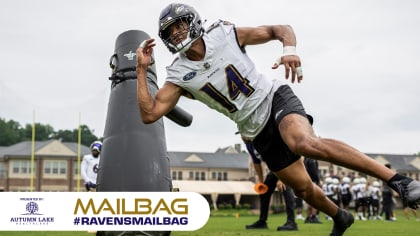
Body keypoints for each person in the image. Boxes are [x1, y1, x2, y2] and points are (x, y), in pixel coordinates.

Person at [136, 3, 420, 235]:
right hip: (254, 128)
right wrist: (140, 70)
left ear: (193, 21)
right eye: (170, 32)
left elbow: (279, 29)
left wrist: (289, 51)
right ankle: (340, 217)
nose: (176, 34)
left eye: (179, 25)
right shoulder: (177, 74)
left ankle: (399, 181)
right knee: (304, 188)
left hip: (273, 98)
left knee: (303, 143)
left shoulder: (223, 34)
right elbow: (149, 114)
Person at [242, 137, 297, 231]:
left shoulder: (262, 139)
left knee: (285, 189)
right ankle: (262, 222)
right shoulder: (249, 145)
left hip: (288, 164)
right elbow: (256, 162)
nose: (242, 137)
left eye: (244, 133)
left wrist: (281, 179)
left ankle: (291, 223)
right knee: (264, 192)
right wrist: (261, 181)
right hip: (275, 168)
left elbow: (280, 156)